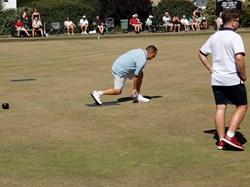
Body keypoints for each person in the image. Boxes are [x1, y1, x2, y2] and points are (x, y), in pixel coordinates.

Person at [198, 9, 247, 150]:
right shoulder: (235, 37)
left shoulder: (214, 36)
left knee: (220, 107)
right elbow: (239, 57)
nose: (238, 23)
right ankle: (230, 136)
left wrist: (210, 69)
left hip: (217, 79)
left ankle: (221, 140)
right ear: (232, 22)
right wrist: (243, 74)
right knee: (242, 106)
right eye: (238, 21)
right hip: (232, 78)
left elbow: (201, 53)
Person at [91, 45, 158, 105]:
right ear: (150, 53)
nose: (154, 57)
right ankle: (97, 93)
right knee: (118, 91)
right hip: (120, 70)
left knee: (141, 73)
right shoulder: (143, 60)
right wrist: (134, 89)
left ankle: (138, 95)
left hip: (119, 65)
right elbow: (136, 76)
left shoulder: (140, 51)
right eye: (154, 55)